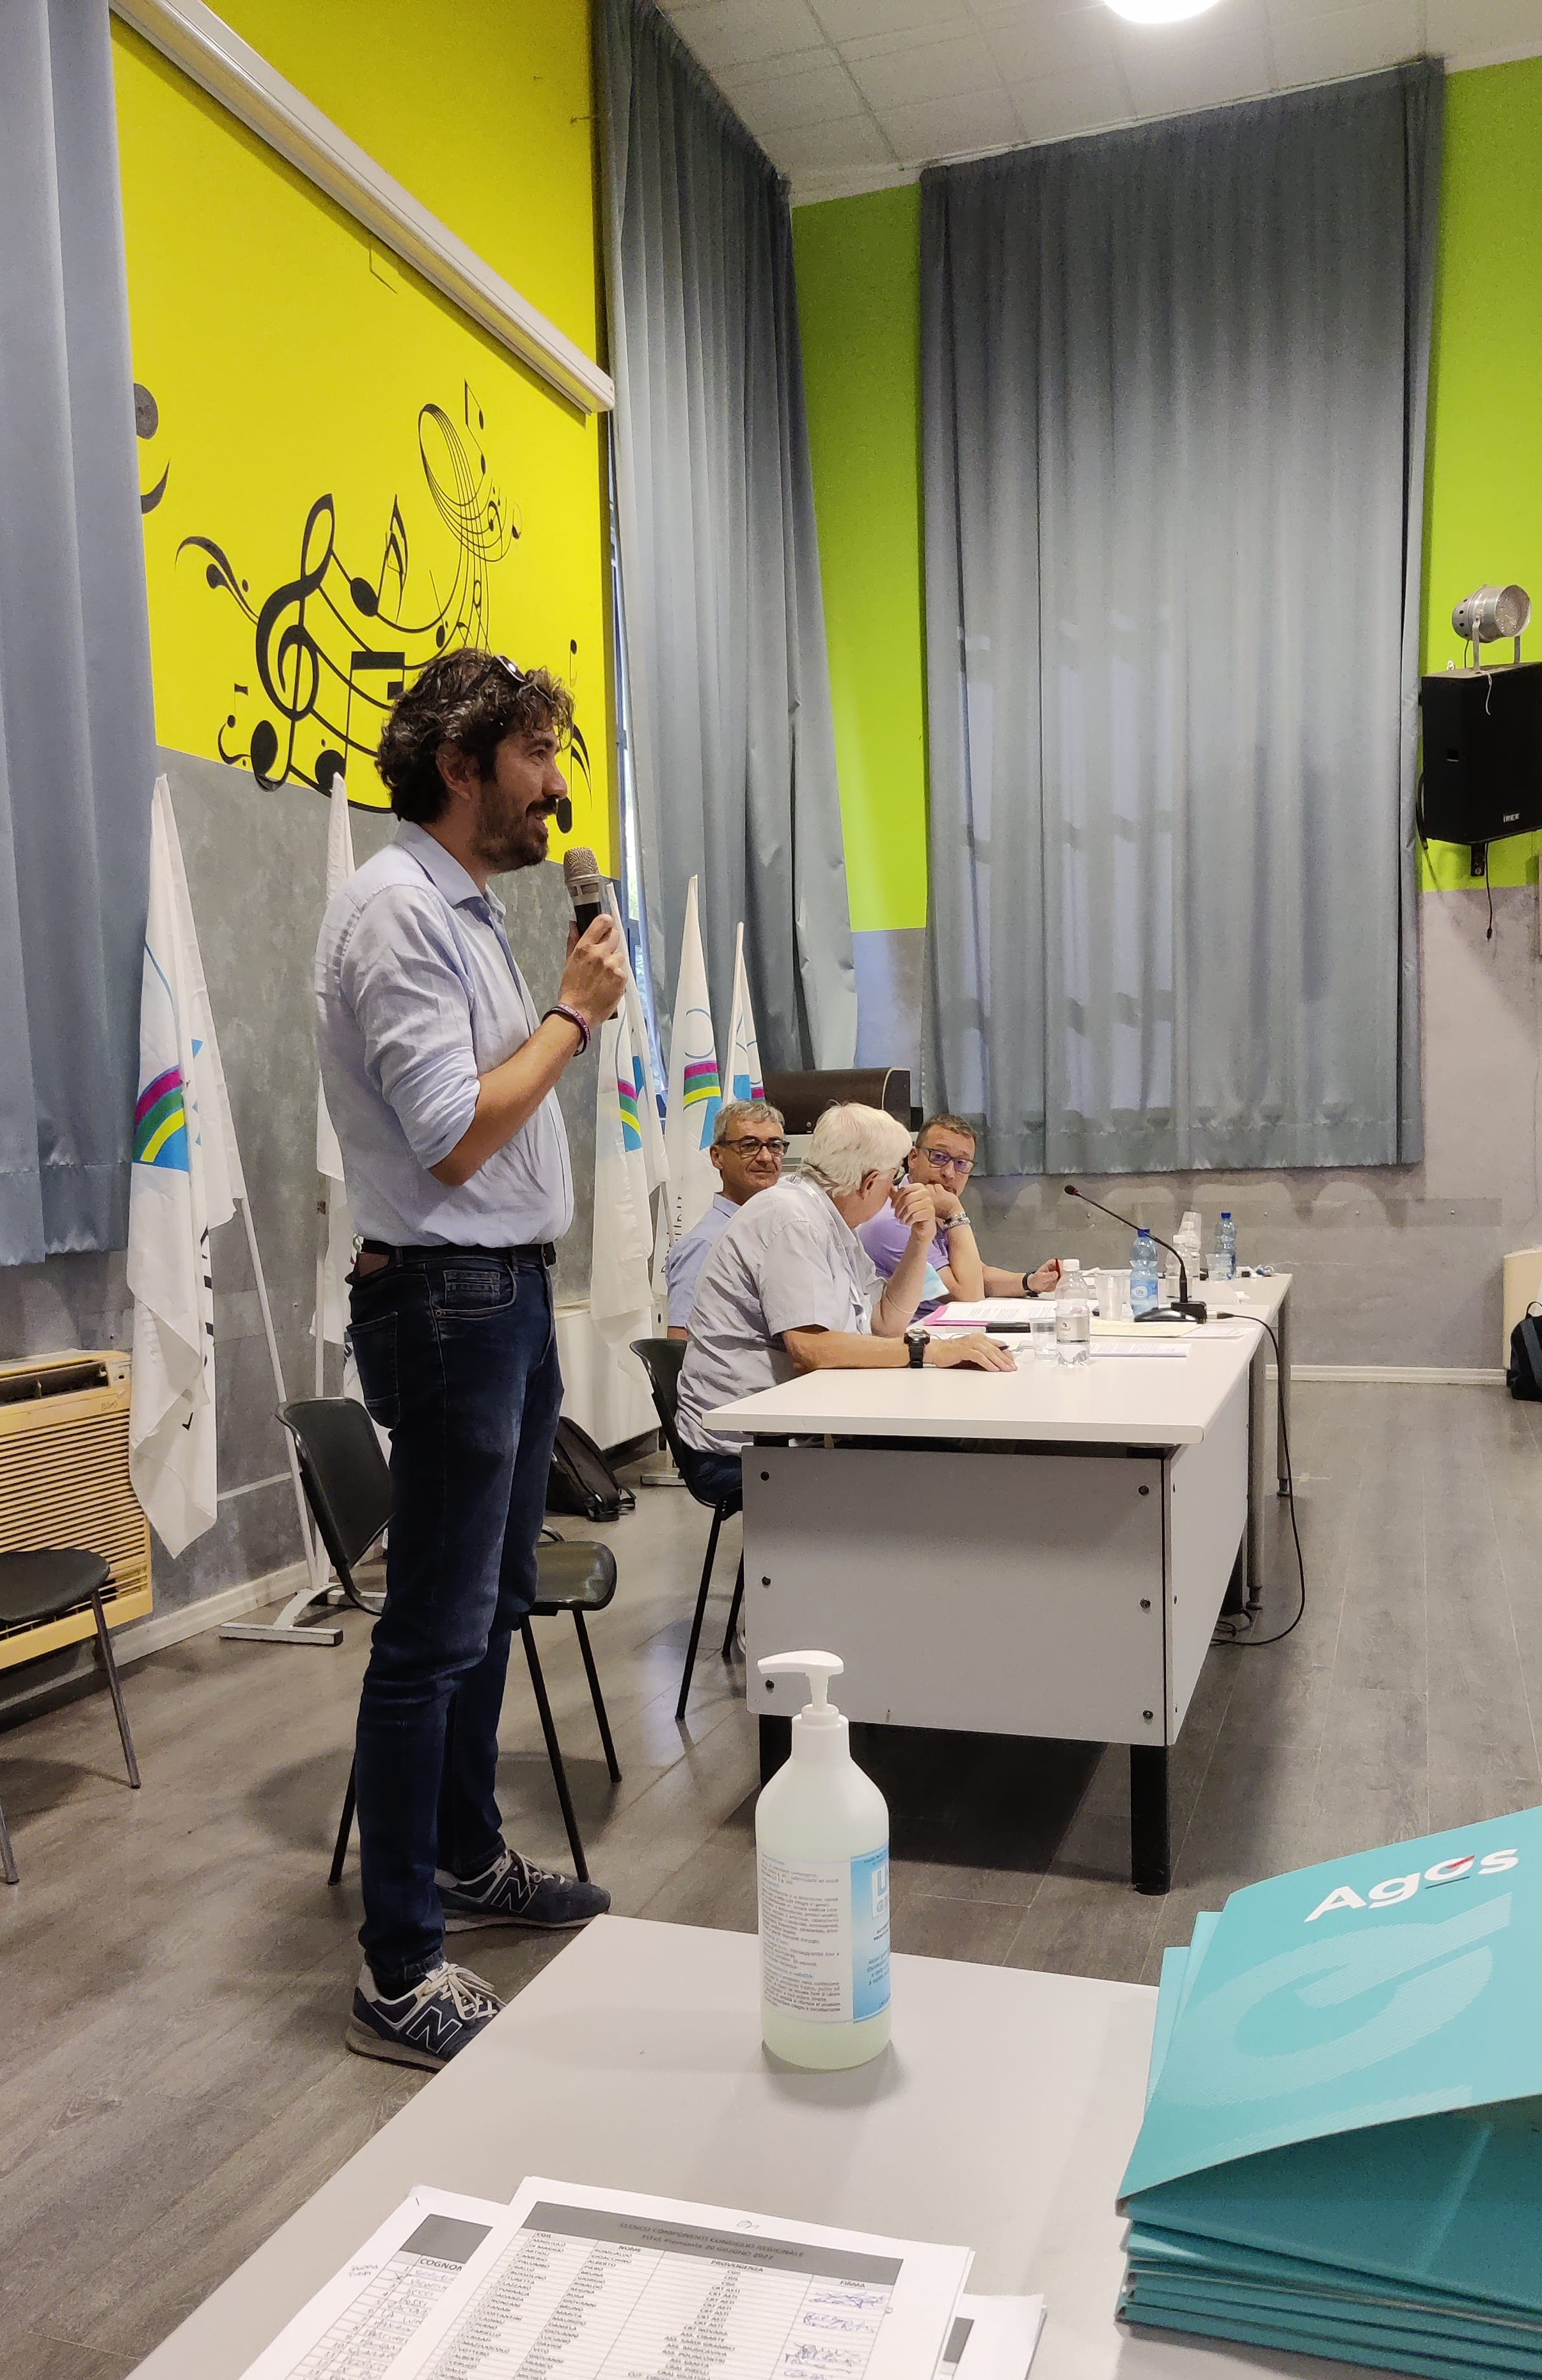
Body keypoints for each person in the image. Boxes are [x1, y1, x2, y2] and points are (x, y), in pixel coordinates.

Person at [314, 650, 628, 2072]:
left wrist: (563, 1013)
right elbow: (451, 1134)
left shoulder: (465, 909)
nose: (559, 787)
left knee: (491, 1602)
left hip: (501, 1295)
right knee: (430, 1635)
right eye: (539, 756)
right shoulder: (397, 912)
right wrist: (570, 1014)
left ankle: (463, 1854)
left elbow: (492, 1107)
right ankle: (397, 1968)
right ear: (461, 767)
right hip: (449, 1303)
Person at [673, 1103, 1016, 1508]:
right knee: (960, 1466)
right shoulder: (792, 1219)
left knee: (962, 1450)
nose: (897, 1191)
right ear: (869, 1183)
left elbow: (885, 1323)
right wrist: (931, 1351)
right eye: (893, 1178)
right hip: (745, 1447)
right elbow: (811, 1351)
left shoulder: (829, 1217)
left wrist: (921, 1238)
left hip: (801, 1421)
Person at [858, 1114, 1062, 1311]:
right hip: (915, 1331)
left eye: (961, 1163)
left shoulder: (934, 1207)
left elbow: (977, 1274)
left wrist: (1030, 1281)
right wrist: (955, 1213)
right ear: (913, 1158)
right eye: (939, 1157)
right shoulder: (895, 1220)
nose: (949, 1173)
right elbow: (967, 1296)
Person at [663, 1098, 788, 1337]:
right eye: (749, 1145)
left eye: (775, 1146)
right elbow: (680, 1342)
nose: (765, 1157)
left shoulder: (776, 1229)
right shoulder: (706, 1245)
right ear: (717, 1156)